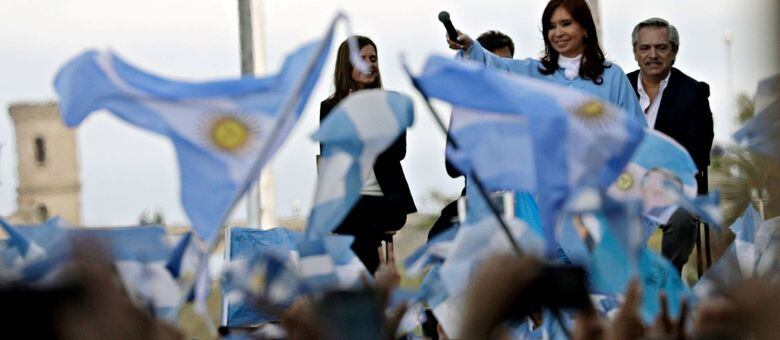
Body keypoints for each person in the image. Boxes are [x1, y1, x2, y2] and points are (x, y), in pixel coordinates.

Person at [446, 0, 646, 126]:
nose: (558, 33)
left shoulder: (612, 76)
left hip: (602, 179)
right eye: (551, 27)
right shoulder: (533, 72)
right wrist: (470, 46)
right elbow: (494, 67)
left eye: (566, 24)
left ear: (585, 28)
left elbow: (639, 136)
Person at [320, 36, 416, 273]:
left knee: (358, 226)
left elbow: (398, 152)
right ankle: (371, 281)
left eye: (373, 59)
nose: (370, 64)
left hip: (385, 199)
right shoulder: (330, 108)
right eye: (362, 58)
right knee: (350, 222)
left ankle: (367, 283)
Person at [627, 18, 714, 274]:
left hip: (673, 187)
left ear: (674, 51)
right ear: (635, 52)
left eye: (661, 47)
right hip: (625, 185)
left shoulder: (693, 92)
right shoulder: (622, 86)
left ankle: (667, 279)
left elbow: (698, 153)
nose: (652, 55)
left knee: (683, 218)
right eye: (645, 48)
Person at [428, 30, 517, 241]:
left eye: (506, 64)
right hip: (481, 200)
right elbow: (453, 167)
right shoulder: (466, 111)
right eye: (493, 64)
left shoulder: (523, 106)